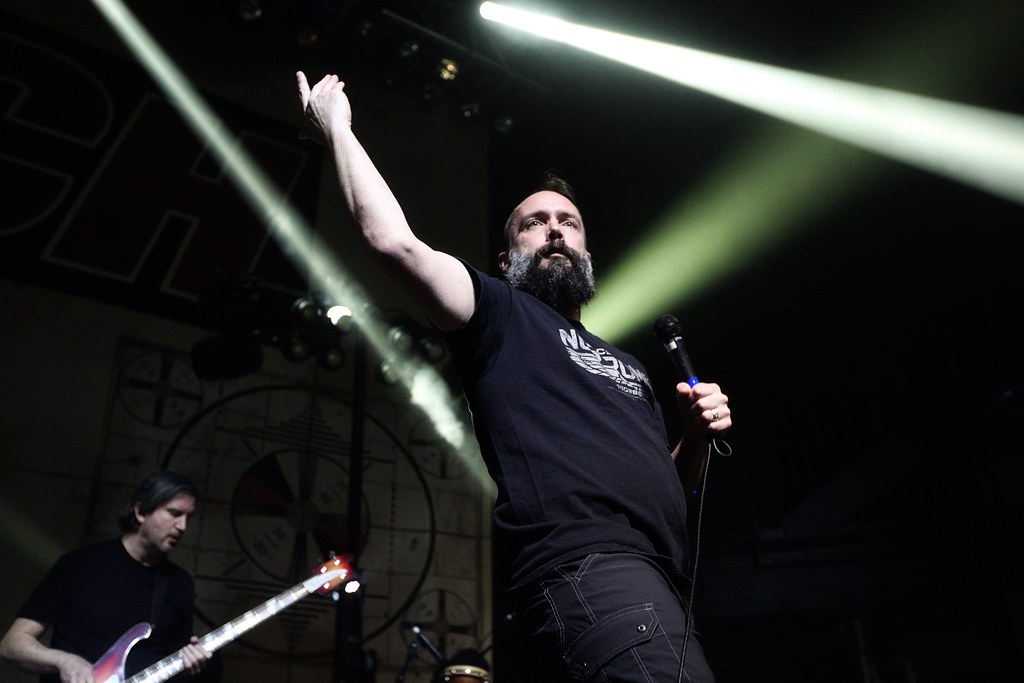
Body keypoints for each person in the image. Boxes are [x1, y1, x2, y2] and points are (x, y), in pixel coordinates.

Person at [296, 71, 733, 682]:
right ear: (506, 259)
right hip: (589, 569)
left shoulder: (632, 368)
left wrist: (696, 438)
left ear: (586, 254)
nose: (555, 229)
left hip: (659, 581)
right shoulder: (499, 313)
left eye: (569, 222)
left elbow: (667, 486)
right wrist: (338, 129)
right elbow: (394, 243)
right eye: (535, 222)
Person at [0, 470, 216, 683]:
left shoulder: (179, 583)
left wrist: (189, 667)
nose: (182, 526)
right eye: (174, 513)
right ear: (140, 512)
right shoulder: (80, 564)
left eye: (188, 518)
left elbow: (171, 664)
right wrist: (64, 661)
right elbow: (12, 645)